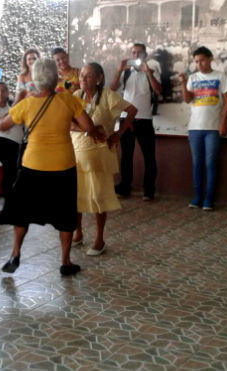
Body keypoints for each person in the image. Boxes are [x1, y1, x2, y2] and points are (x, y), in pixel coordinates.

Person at [0, 58, 104, 276]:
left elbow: (3, 125)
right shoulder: (68, 101)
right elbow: (88, 127)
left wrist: (22, 106)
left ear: (35, 80)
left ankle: (15, 253)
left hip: (32, 166)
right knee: (65, 215)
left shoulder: (27, 104)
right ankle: (65, 261)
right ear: (56, 78)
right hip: (63, 166)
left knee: (22, 214)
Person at [71, 62, 137, 255]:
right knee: (76, 195)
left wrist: (118, 133)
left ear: (99, 78)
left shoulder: (108, 95)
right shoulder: (76, 97)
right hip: (76, 153)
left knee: (99, 195)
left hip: (100, 154)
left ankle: (99, 239)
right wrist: (84, 129)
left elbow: (132, 110)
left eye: (88, 75)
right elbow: (68, 123)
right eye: (81, 75)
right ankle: (78, 232)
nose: (83, 78)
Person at [180, 46, 227, 210]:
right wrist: (182, 83)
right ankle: (197, 197)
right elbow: (188, 99)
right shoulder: (193, 77)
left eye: (202, 60)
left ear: (210, 59)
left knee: (210, 163)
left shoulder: (220, 76)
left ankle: (209, 199)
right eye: (196, 61)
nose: (199, 64)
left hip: (213, 128)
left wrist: (224, 122)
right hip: (195, 127)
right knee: (197, 163)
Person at [110, 43, 161, 200]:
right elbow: (112, 89)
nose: (136, 56)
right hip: (127, 119)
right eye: (133, 53)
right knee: (126, 155)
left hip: (145, 119)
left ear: (145, 55)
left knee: (149, 156)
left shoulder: (151, 71)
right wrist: (119, 70)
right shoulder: (126, 73)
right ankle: (125, 187)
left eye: (139, 53)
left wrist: (148, 73)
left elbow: (158, 90)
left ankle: (149, 191)